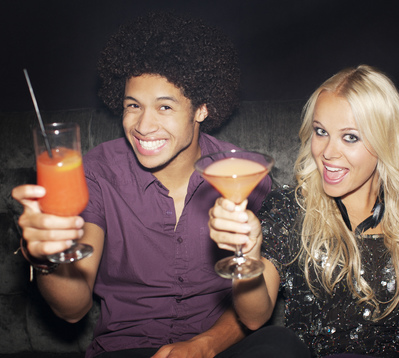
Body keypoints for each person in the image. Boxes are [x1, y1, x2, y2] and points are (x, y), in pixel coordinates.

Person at [12, 12, 271, 358]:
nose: (143, 125)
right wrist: (44, 258)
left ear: (202, 109)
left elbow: (255, 305)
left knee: (282, 346)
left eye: (165, 106)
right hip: (125, 349)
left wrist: (205, 346)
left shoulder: (241, 174)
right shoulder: (98, 173)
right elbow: (72, 309)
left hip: (218, 348)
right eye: (133, 106)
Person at [209, 65, 399, 357]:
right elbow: (254, 317)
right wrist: (247, 254)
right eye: (321, 132)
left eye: (350, 137)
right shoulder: (290, 209)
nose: (327, 153)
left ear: (386, 141)